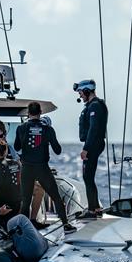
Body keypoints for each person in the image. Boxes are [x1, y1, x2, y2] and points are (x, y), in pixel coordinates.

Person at [14, 101, 75, 233]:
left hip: (27, 168)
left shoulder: (21, 128)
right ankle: (66, 225)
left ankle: (21, 231)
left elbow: (17, 147)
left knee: (26, 201)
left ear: (28, 113)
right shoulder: (48, 129)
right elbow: (58, 150)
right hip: (42, 168)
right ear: (40, 113)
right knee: (56, 197)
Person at [74, 79, 109, 218]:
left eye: (81, 93)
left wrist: (86, 149)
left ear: (88, 91)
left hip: (93, 144)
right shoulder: (93, 105)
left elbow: (93, 129)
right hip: (94, 144)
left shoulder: (95, 106)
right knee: (88, 177)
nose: (80, 96)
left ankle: (92, 210)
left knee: (87, 176)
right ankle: (95, 207)